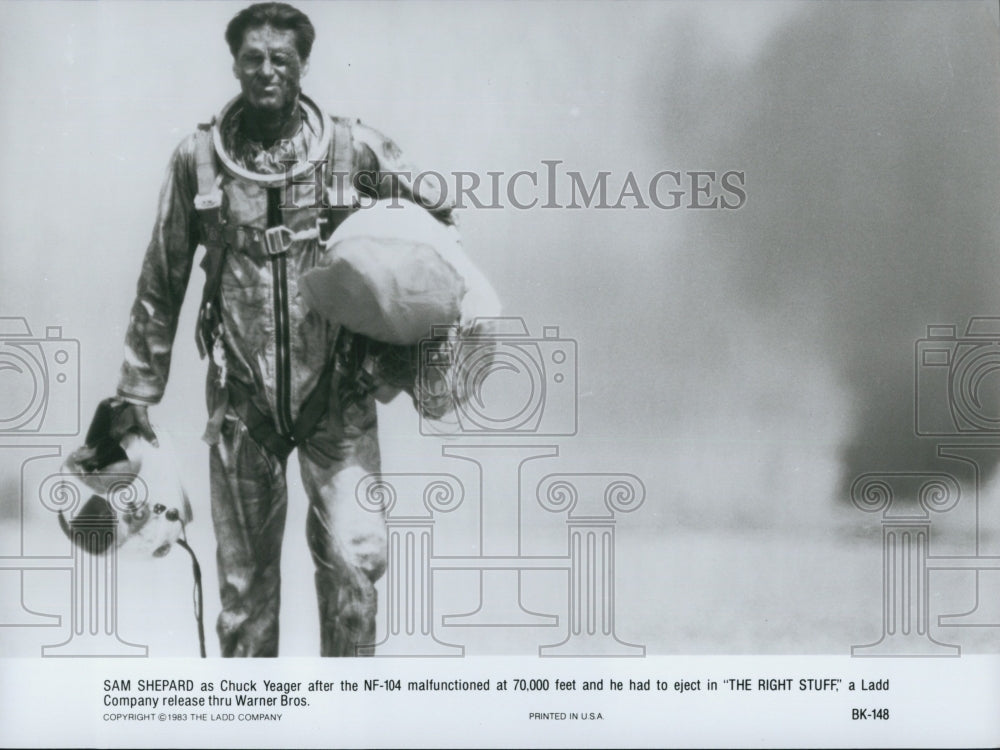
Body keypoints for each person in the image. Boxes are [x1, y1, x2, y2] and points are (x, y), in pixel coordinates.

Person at [106, 2, 455, 657]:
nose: (266, 71)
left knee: (356, 567)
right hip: (243, 410)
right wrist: (136, 393)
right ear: (235, 63)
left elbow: (434, 234)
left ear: (302, 66)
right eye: (253, 58)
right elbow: (162, 279)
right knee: (245, 599)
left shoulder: (354, 150)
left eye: (281, 59)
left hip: (339, 396)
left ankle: (348, 722)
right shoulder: (199, 163)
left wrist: (423, 350)